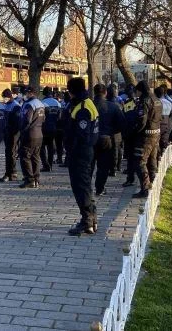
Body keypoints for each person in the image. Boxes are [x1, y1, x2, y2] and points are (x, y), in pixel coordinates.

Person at [65, 77, 99, 236]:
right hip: (85, 151)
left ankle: (86, 221)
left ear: (73, 90)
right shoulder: (86, 103)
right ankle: (91, 219)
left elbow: (81, 134)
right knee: (85, 186)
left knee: (81, 187)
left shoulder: (83, 107)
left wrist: (71, 149)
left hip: (80, 153)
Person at [92, 84, 123, 197]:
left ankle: (86, 188)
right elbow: (121, 124)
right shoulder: (113, 106)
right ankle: (100, 188)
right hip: (106, 138)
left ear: (94, 92)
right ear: (105, 93)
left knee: (89, 165)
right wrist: (112, 132)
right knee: (103, 166)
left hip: (90, 139)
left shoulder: (87, 105)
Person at [132, 81, 162, 198]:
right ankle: (154, 183)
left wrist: (135, 131)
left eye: (137, 91)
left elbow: (142, 121)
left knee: (140, 161)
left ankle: (145, 188)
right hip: (156, 133)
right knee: (152, 160)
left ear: (140, 90)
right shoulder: (157, 99)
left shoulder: (145, 101)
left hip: (146, 136)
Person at [18, 86, 45, 189]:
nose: (25, 95)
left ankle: (29, 180)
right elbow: (43, 119)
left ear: (30, 93)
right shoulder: (41, 104)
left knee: (25, 157)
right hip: (39, 133)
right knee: (36, 157)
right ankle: (36, 179)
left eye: (26, 93)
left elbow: (27, 120)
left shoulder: (29, 104)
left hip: (29, 134)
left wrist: (22, 130)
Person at [0, 89, 21, 183]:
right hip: (7, 132)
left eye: (5, 97)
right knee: (8, 153)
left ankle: (11, 173)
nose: (4, 99)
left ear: (9, 97)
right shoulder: (7, 105)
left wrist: (12, 132)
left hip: (13, 133)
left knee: (11, 153)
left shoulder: (15, 106)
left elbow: (17, 122)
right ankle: (10, 173)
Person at [40, 87, 61, 172]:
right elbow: (59, 117)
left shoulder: (42, 103)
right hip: (54, 127)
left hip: (44, 127)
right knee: (50, 146)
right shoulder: (57, 103)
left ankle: (45, 165)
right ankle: (50, 165)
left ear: (44, 93)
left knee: (42, 147)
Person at [155, 85, 172, 158]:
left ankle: (158, 156)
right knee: (164, 140)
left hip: (158, 123)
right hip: (167, 123)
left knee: (157, 141)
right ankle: (164, 155)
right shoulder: (169, 102)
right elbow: (171, 114)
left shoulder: (156, 102)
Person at [55, 91, 69, 167]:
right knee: (64, 144)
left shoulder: (62, 104)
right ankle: (62, 159)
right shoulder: (67, 104)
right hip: (64, 127)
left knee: (61, 144)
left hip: (61, 127)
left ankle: (61, 158)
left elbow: (59, 115)